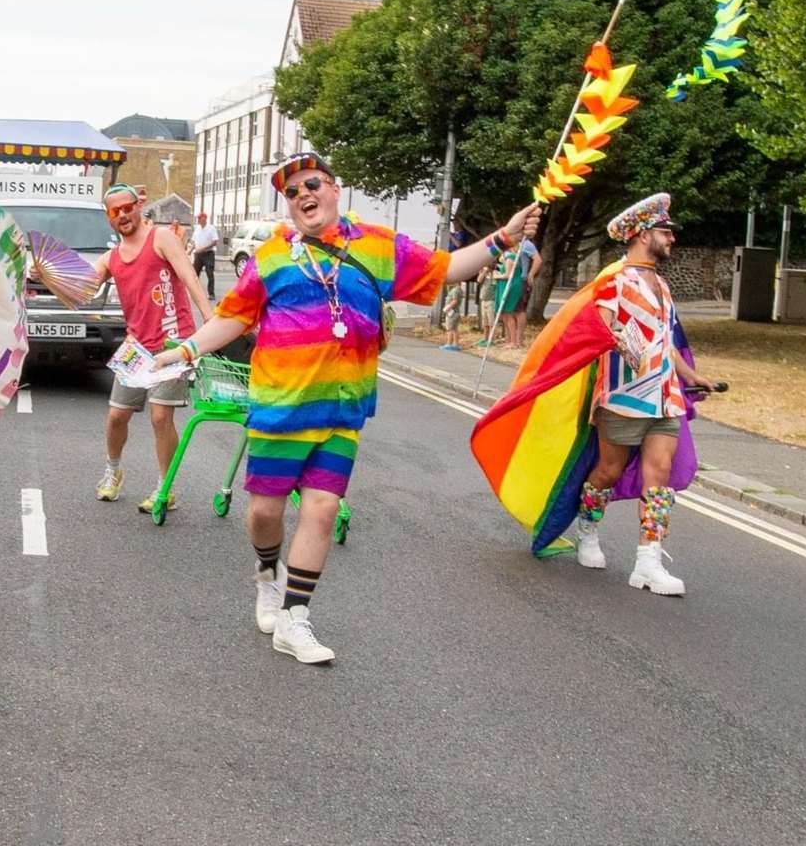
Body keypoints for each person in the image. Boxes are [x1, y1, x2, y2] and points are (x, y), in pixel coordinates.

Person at [154, 153, 540, 664]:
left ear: (335, 189)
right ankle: (267, 576)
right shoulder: (271, 256)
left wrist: (504, 238)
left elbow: (448, 270)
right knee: (265, 512)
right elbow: (231, 319)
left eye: (311, 184)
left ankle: (295, 619)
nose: (302, 196)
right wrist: (183, 351)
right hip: (279, 407)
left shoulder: (380, 247)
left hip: (341, 410)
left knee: (322, 508)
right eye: (292, 193)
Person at [572, 193, 714, 596]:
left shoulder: (664, 287)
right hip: (623, 396)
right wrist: (616, 340)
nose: (672, 238)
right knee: (608, 471)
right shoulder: (613, 282)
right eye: (665, 231)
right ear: (642, 233)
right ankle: (588, 530)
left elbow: (666, 342)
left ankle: (648, 562)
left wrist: (693, 376)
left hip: (665, 396)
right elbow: (598, 331)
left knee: (660, 478)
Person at [84, 183, 214, 512]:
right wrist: (43, 275)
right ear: (108, 217)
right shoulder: (111, 257)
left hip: (173, 342)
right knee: (116, 416)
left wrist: (211, 321)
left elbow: (189, 277)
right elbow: (82, 290)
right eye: (116, 211)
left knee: (160, 417)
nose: (124, 214)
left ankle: (164, 487)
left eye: (128, 207)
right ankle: (113, 472)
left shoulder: (161, 238)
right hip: (135, 347)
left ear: (138, 206)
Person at [508, 238, 542, 348]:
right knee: (510, 309)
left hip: (520, 279)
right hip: (510, 279)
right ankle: (511, 339)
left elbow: (538, 259)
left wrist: (530, 274)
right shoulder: (511, 242)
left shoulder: (526, 244)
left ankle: (519, 340)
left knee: (519, 309)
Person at [188, 212, 219, 298]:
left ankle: (211, 294)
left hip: (208, 254)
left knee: (210, 274)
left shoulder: (211, 228)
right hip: (198, 254)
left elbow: (215, 242)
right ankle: (194, 293)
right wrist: (190, 250)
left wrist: (204, 248)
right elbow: (194, 241)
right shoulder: (197, 228)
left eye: (199, 218)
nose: (198, 220)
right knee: (195, 274)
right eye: (198, 218)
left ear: (204, 218)